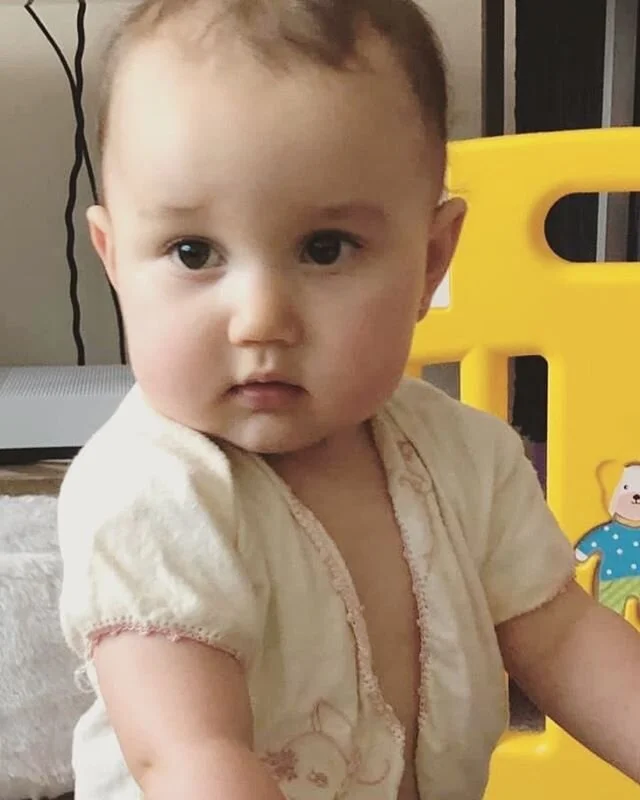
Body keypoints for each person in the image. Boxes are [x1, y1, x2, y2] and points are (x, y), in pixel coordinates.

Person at [57, 1, 640, 798]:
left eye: (325, 249)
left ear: (430, 262)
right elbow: (188, 755)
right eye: (193, 252)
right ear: (115, 259)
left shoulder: (469, 458)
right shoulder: (150, 493)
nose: (261, 318)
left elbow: (564, 638)